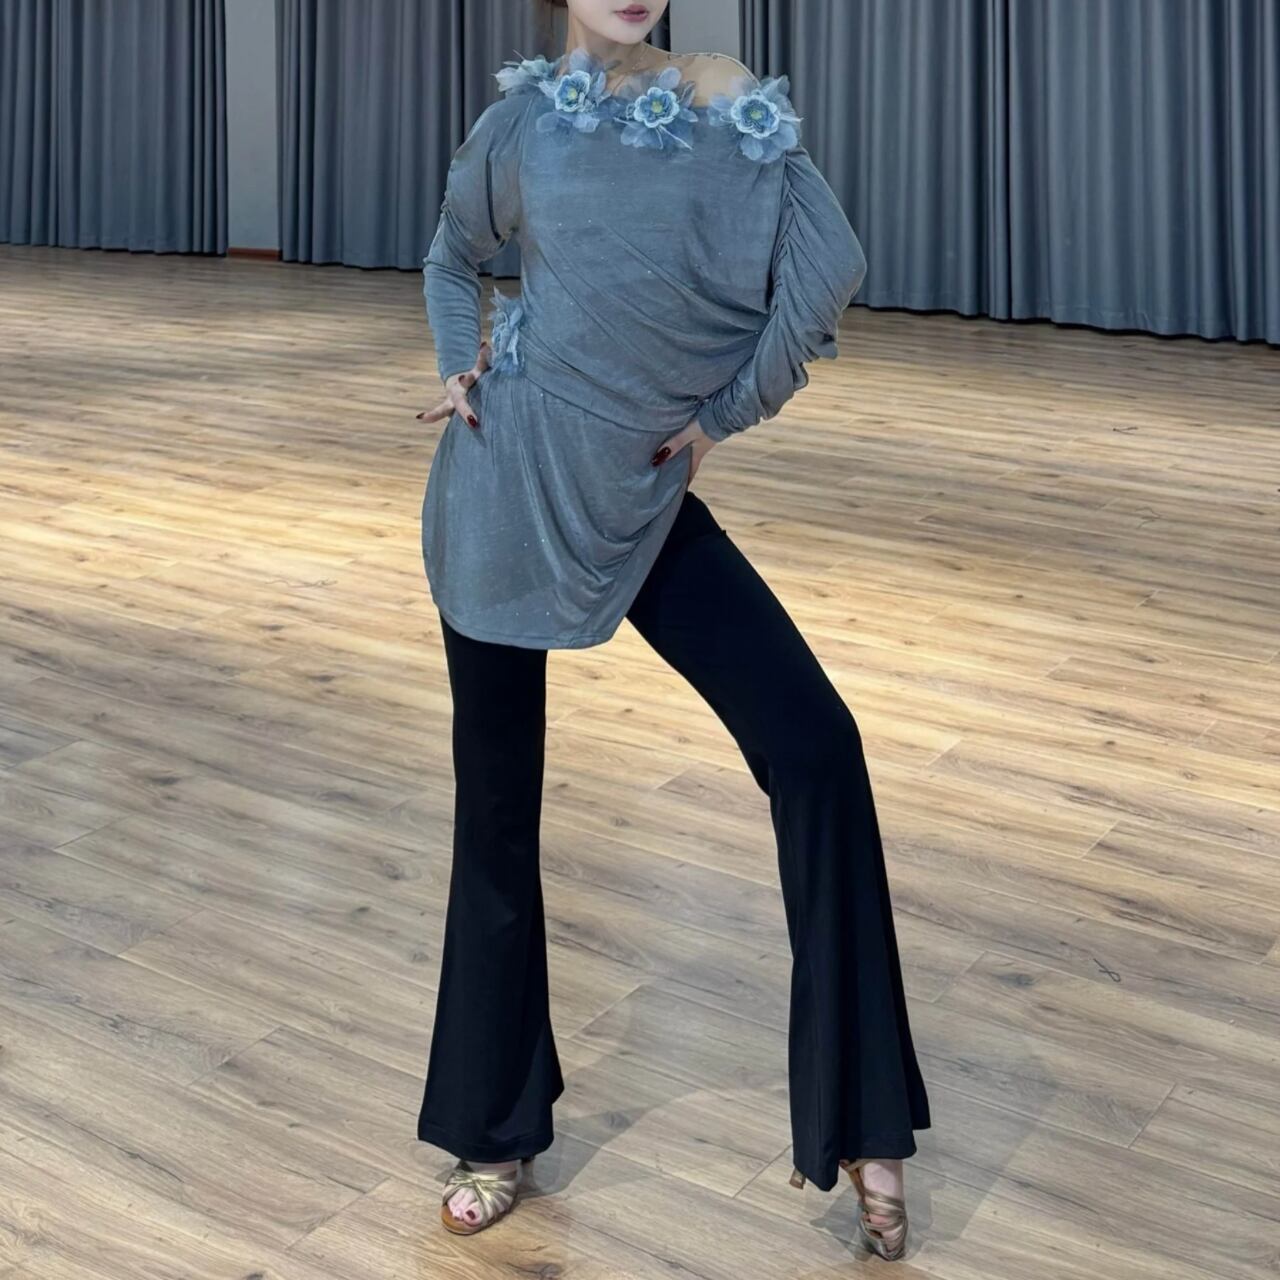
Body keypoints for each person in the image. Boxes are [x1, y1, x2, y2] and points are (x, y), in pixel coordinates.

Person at [414, 0, 930, 1260]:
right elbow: (451, 253)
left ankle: (862, 1118)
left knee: (815, 743)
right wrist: (454, 363)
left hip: (642, 495)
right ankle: (492, 1129)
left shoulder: (721, 100)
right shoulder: (520, 121)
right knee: (496, 814)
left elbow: (828, 264)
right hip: (502, 492)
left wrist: (722, 414)